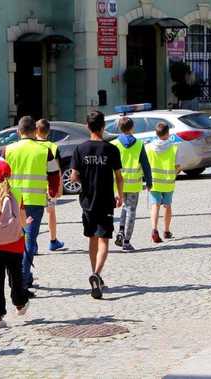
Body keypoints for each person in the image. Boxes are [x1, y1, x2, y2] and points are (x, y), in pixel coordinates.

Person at [2, 116, 60, 297]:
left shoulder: (8, 149)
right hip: (34, 202)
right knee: (29, 241)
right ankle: (23, 279)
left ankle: (16, 277)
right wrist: (52, 191)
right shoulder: (44, 150)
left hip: (12, 201)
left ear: (18, 132)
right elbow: (54, 174)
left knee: (13, 240)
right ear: (35, 132)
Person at [70, 111, 123, 299]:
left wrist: (81, 178)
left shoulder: (80, 149)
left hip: (87, 201)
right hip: (106, 200)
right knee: (104, 240)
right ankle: (97, 274)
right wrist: (120, 195)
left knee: (92, 238)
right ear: (103, 127)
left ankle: (95, 274)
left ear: (87, 126)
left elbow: (74, 176)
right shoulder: (111, 149)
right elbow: (118, 176)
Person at [0, 160, 29, 330]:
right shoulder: (17, 193)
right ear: (9, 175)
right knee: (16, 276)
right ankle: (20, 304)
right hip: (15, 243)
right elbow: (22, 220)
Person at [112, 117, 152, 252]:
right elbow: (145, 165)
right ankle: (127, 241)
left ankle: (121, 231)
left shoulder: (115, 144)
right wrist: (149, 181)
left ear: (119, 128)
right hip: (134, 183)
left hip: (119, 183)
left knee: (124, 208)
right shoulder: (139, 144)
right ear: (132, 128)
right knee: (131, 211)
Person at [146, 122, 180, 243]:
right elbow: (178, 165)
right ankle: (166, 230)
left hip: (154, 181)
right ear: (168, 133)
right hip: (168, 181)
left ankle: (154, 229)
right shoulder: (173, 147)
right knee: (167, 206)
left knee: (155, 206)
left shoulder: (149, 147)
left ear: (156, 133)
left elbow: (146, 164)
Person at [36, 119, 65, 251]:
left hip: (32, 185)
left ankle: (32, 244)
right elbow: (57, 168)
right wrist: (59, 187)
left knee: (31, 215)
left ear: (36, 130)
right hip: (49, 185)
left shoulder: (29, 145)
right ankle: (53, 240)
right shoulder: (53, 146)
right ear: (48, 132)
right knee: (51, 212)